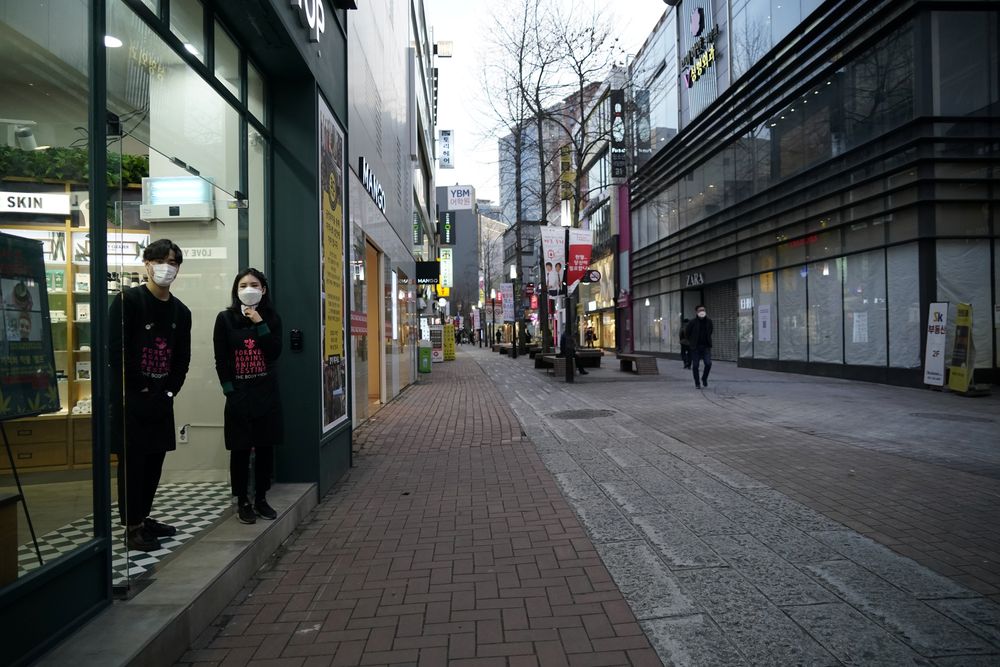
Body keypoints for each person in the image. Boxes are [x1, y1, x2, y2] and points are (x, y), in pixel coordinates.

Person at [109, 239, 192, 551]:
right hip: (131, 400)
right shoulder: (127, 302)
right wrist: (142, 386)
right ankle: (131, 527)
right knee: (133, 464)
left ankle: (143, 518)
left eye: (172, 262)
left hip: (161, 399)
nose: (165, 267)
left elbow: (181, 358)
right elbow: (117, 351)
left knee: (154, 462)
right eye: (159, 260)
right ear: (146, 264)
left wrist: (169, 390)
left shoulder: (181, 312)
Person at [213, 268, 283, 525]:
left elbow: (274, 352)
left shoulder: (272, 319)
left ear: (263, 289)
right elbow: (221, 360)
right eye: (242, 285)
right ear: (236, 290)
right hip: (239, 395)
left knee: (265, 447)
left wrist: (259, 322)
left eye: (254, 284)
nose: (248, 289)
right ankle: (242, 500)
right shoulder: (225, 319)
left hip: (266, 394)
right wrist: (230, 391)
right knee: (240, 449)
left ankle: (261, 498)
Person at [684, 305, 713, 389]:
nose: (702, 311)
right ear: (696, 312)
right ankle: (697, 383)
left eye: (703, 310)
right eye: (700, 310)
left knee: (708, 363)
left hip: (706, 347)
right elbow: (687, 333)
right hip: (695, 347)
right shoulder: (692, 322)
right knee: (695, 365)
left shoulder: (709, 321)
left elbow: (710, 331)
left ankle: (704, 378)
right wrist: (692, 342)